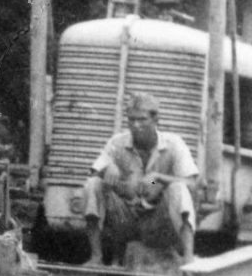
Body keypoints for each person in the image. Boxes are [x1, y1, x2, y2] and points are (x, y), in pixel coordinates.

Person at [82, 93, 198, 266]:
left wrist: (159, 178)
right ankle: (96, 257)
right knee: (93, 184)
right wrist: (108, 167)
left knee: (178, 188)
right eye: (131, 120)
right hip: (125, 218)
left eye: (142, 120)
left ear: (156, 119)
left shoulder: (174, 144)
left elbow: (192, 183)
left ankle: (188, 259)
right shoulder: (118, 143)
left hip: (158, 220)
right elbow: (94, 171)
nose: (136, 125)